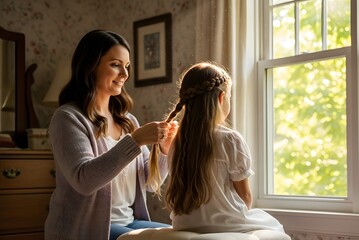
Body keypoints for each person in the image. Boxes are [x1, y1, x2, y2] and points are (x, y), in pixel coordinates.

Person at [44, 30, 178, 240]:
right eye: (116, 65)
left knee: (184, 235)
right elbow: (84, 181)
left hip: (129, 222)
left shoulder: (128, 121)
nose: (124, 74)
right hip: (86, 229)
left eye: (127, 67)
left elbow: (150, 185)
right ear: (91, 66)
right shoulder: (67, 118)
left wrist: (164, 151)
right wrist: (135, 141)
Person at [162, 62, 285, 233]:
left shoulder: (176, 142)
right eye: (229, 97)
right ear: (221, 98)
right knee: (275, 227)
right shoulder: (230, 139)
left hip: (185, 225)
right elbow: (246, 198)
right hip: (226, 224)